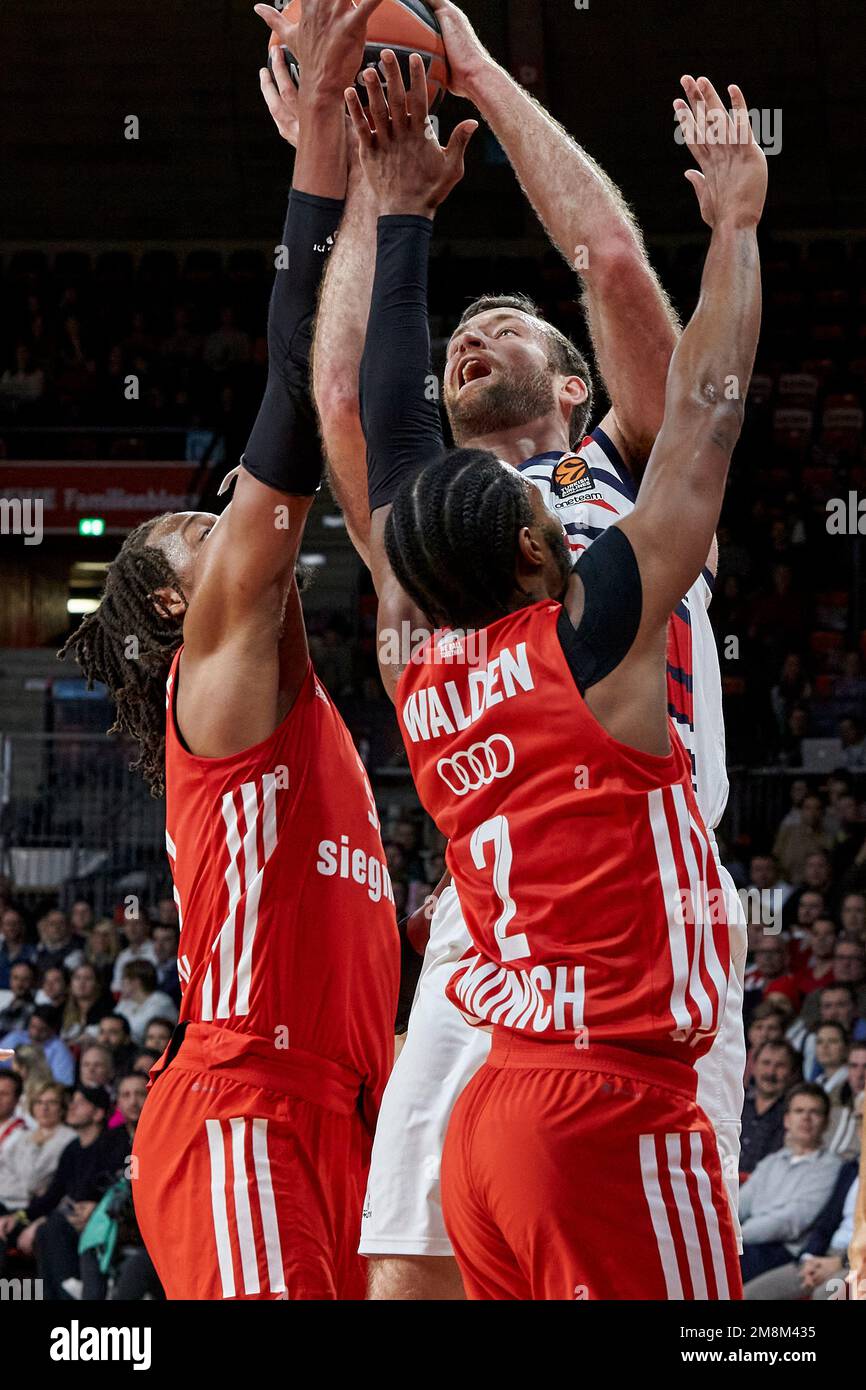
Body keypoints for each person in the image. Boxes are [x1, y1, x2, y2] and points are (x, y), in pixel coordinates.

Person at [294, 0, 748, 1297]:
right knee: (408, 1281)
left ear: (574, 394)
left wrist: (474, 83)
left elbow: (608, 262)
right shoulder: (432, 552)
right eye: (449, 343)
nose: (466, 338)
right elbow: (349, 394)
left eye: (505, 328)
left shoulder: (612, 484)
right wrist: (367, 184)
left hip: (625, 929)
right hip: (486, 938)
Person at [59, 0, 399, 1301]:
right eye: (198, 532)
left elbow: (339, 381)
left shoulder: (303, 709)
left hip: (344, 1120)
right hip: (249, 1106)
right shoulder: (221, 674)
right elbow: (293, 399)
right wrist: (323, 139)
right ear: (164, 611)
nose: (229, 526)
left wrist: (379, 187)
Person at [739, 1085, 842, 1283]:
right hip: (748, 1241)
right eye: (799, 1111)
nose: (806, 1118)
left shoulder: (830, 1167)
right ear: (787, 1120)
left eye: (815, 1112)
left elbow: (791, 1222)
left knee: (725, 1266)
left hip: (783, 1249)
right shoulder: (771, 1161)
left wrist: (737, 1236)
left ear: (827, 1122)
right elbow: (739, 1204)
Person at [743, 1162, 859, 1300]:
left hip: (854, 1261)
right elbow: (827, 1221)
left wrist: (842, 1261)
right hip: (825, 1254)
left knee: (824, 1294)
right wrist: (809, 1257)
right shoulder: (852, 1168)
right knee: (749, 1293)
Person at [0, 1005, 75, 1086]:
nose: (35, 1033)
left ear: (53, 1030)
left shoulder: (60, 1051)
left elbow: (63, 1084)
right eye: (32, 1026)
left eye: (42, 1030)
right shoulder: (16, 1037)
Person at [115, 960, 178, 1045]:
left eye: (124, 978)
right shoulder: (127, 1002)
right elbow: (111, 1022)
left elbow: (138, 1031)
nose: (121, 983)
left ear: (136, 982)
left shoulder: (161, 1002)